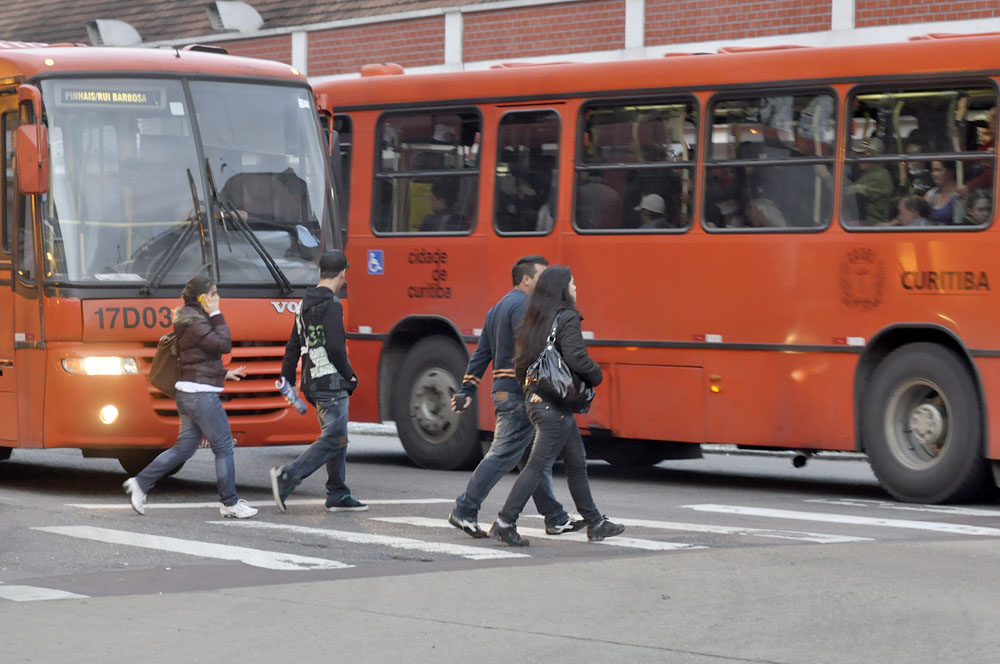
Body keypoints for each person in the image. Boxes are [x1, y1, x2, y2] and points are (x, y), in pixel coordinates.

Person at [447, 256, 583, 539]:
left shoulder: (497, 307)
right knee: (504, 454)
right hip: (519, 393)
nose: (546, 283)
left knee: (534, 459)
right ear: (527, 279)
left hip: (504, 391)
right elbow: (533, 352)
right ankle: (465, 509)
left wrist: (467, 389)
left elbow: (482, 353)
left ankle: (555, 517)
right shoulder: (523, 307)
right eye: (541, 276)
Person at [491, 266, 625, 546]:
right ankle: (505, 521)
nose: (576, 288)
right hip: (554, 407)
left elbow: (520, 365)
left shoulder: (532, 320)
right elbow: (577, 358)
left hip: (541, 402)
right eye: (573, 284)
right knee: (537, 467)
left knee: (576, 464)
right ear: (561, 290)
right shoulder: (566, 318)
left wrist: (531, 392)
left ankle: (595, 523)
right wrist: (597, 375)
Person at [122, 275, 257, 519]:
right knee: (224, 446)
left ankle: (141, 483)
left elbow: (198, 357)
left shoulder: (190, 319)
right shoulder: (197, 320)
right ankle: (230, 502)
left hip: (190, 393)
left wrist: (224, 374)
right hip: (200, 395)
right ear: (203, 298)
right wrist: (216, 313)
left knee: (184, 448)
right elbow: (223, 345)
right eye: (214, 294)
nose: (218, 298)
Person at [269, 249, 366, 513]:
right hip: (331, 382)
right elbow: (335, 348)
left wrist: (287, 379)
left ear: (320, 272)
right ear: (343, 273)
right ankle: (288, 475)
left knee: (337, 436)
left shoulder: (302, 305)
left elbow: (293, 346)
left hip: (311, 382)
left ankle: (337, 493)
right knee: (334, 437)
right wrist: (351, 375)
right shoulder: (332, 305)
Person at [847, 136, 894, 225]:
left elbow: (844, 193)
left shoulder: (879, 176)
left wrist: (825, 175)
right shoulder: (869, 173)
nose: (859, 159)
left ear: (874, 157)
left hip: (872, 224)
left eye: (863, 155)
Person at [925, 160, 959, 225]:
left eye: (938, 170)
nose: (933, 174)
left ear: (951, 172)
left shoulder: (959, 195)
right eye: (932, 170)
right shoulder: (931, 194)